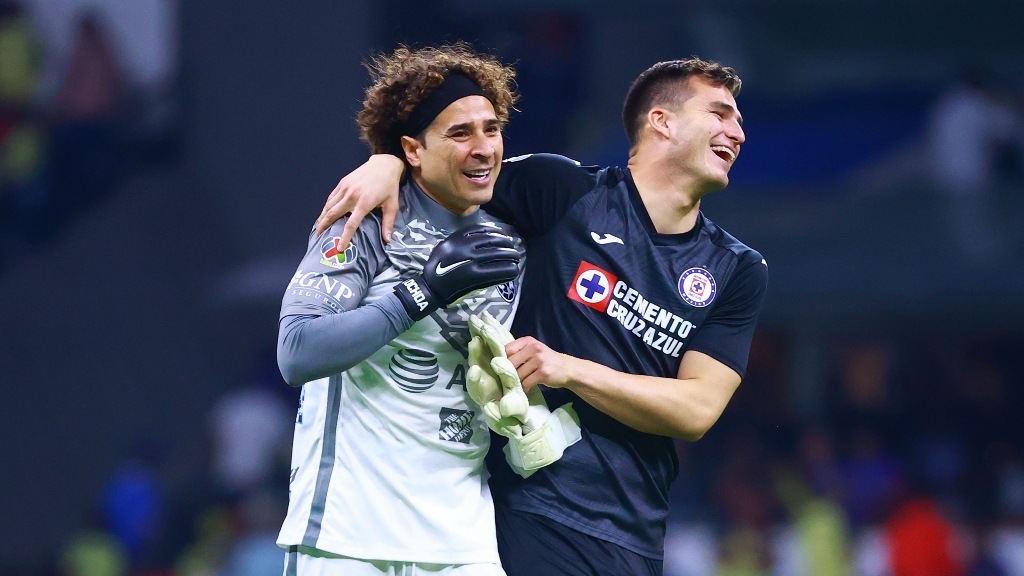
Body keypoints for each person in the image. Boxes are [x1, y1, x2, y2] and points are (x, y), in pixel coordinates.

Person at [317, 56, 769, 576]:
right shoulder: (564, 191)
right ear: (661, 121)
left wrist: (568, 368)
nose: (736, 131)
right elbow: (453, 174)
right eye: (720, 114)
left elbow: (696, 411)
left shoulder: (736, 270)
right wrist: (390, 162)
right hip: (526, 506)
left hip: (636, 531)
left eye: (737, 120)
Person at [275, 44, 523, 575]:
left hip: (464, 546)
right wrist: (420, 295)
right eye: (460, 133)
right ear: (413, 149)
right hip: (348, 538)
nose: (483, 148)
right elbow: (296, 352)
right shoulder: (362, 220)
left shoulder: (512, 238)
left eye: (492, 128)